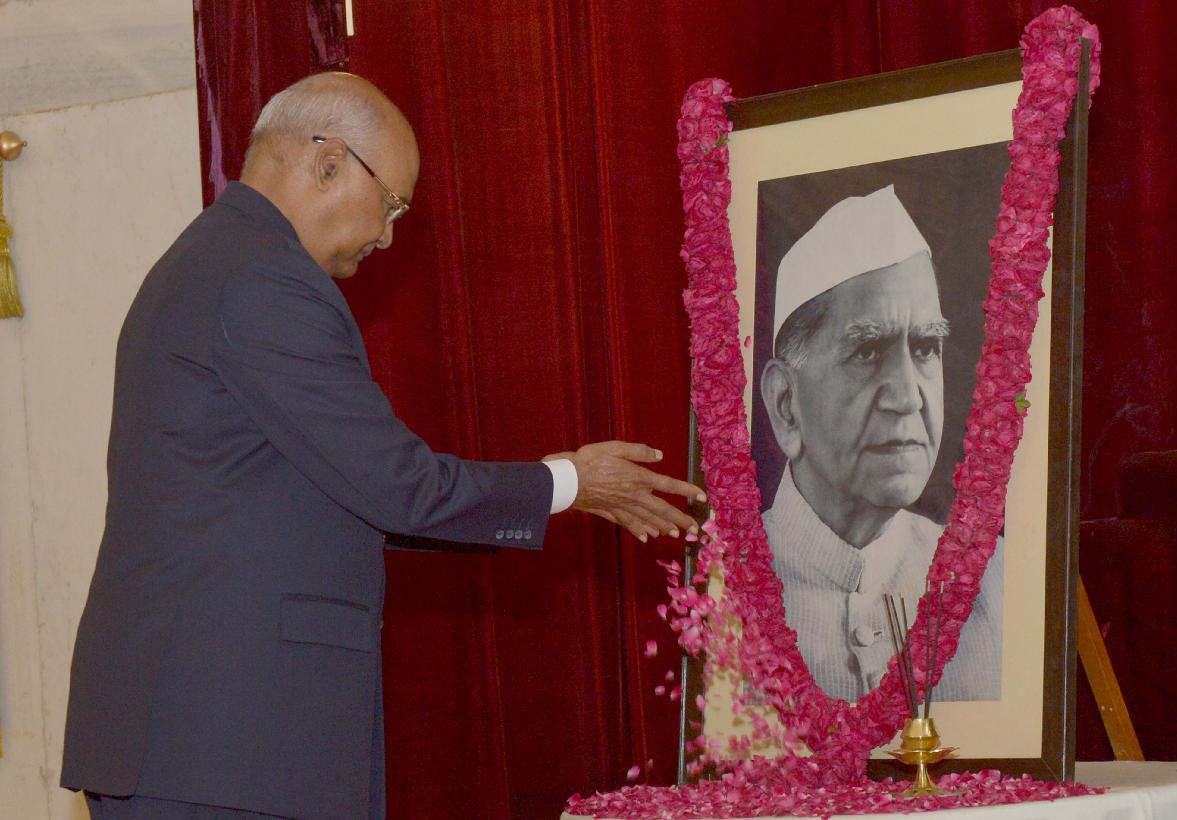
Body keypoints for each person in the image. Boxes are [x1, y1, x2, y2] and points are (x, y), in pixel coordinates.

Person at [61, 72, 705, 820]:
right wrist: (569, 482)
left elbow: (353, 493)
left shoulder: (212, 260)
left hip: (207, 740)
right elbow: (397, 485)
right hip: (223, 740)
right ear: (328, 161)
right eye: (391, 203)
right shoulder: (264, 277)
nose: (389, 235)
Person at [758, 185, 1001, 703]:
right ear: (786, 403)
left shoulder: (996, 581)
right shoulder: (715, 591)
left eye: (926, 348)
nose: (908, 397)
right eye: (868, 351)